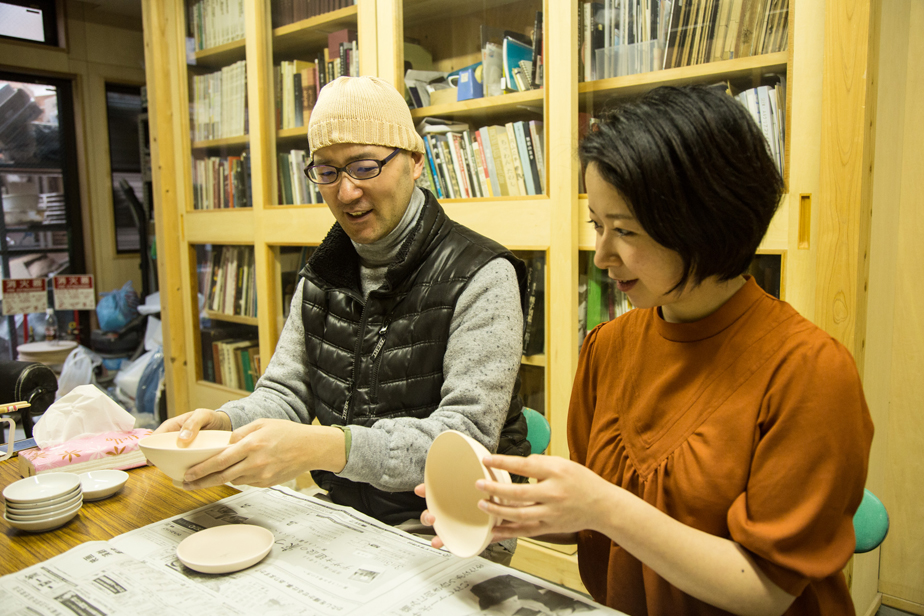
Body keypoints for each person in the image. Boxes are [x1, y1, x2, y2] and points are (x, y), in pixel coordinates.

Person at [416, 85, 874, 615]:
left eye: (626, 231)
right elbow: (598, 525)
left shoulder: (811, 373)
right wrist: (520, 511)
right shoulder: (609, 347)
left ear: (706, 223)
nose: (602, 254)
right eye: (597, 225)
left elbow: (767, 591)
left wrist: (603, 506)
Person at [155, 76, 530, 554]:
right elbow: (285, 392)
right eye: (327, 172)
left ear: (415, 162)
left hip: (451, 525)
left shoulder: (483, 274)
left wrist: (327, 448)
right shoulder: (322, 273)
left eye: (365, 166)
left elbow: (463, 441)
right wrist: (223, 425)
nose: (347, 192)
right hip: (342, 512)